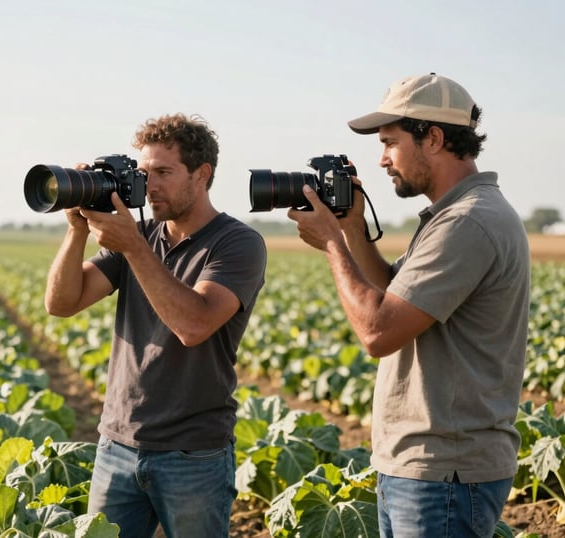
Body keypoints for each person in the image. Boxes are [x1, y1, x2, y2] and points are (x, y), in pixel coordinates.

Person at [287, 73, 530, 537]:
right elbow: (395, 293)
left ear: (433, 138)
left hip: (444, 471)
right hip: (426, 468)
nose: (380, 160)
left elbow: (379, 331)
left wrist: (335, 245)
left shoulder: (468, 221)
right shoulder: (454, 214)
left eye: (390, 143)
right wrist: (355, 231)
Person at [44, 113, 267, 537]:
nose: (150, 185)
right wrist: (76, 230)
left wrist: (133, 247)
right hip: (118, 442)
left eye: (164, 172)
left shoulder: (237, 243)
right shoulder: (140, 234)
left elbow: (194, 324)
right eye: (144, 173)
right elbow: (61, 302)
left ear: (202, 175)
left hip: (193, 453)